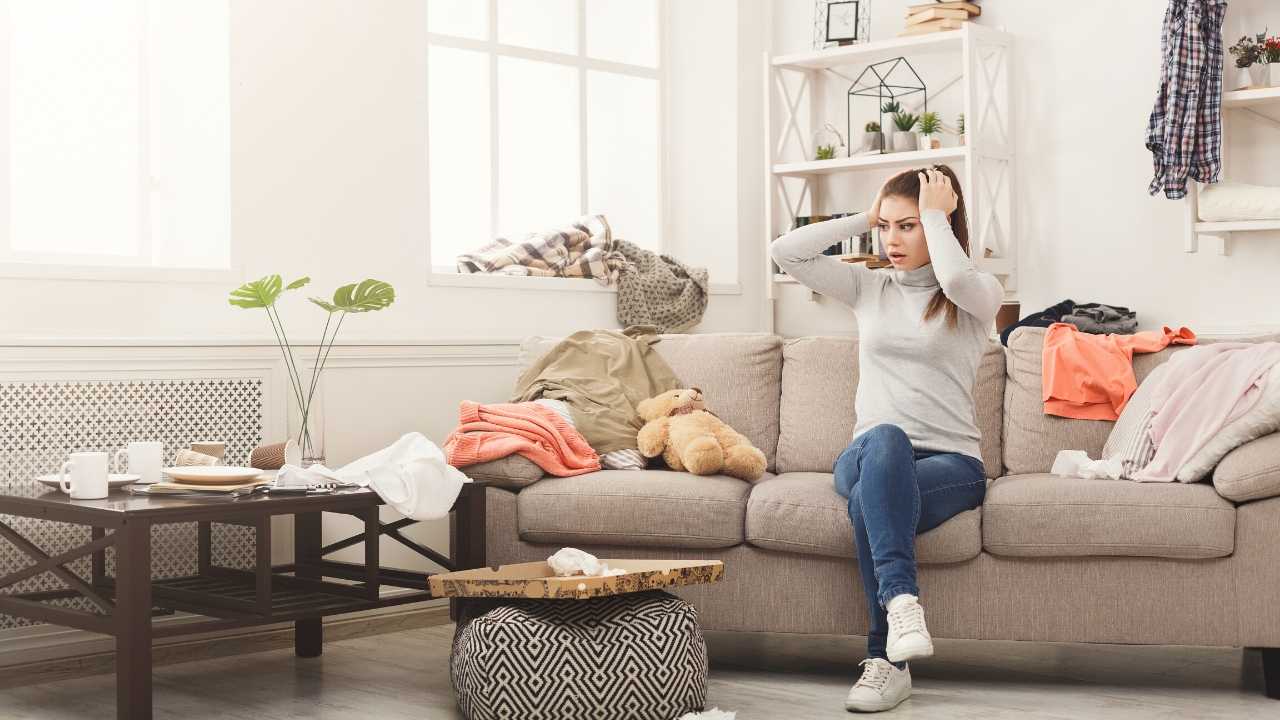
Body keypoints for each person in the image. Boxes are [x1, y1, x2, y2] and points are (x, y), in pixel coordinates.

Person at [768, 165, 1003, 713]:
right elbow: (786, 251)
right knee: (887, 442)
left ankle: (885, 663)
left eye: (909, 227)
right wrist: (863, 216)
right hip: (869, 450)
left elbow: (958, 279)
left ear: (941, 226)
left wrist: (936, 217)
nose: (891, 241)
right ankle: (901, 604)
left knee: (873, 505)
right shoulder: (868, 286)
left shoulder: (975, 298)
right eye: (886, 227)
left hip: (952, 464)